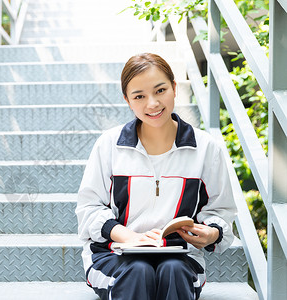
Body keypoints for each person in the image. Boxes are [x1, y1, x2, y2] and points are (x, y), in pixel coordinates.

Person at [76, 53, 237, 300]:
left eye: (160, 90)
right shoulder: (109, 145)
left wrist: (212, 233)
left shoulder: (206, 148)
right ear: (127, 100)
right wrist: (129, 236)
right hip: (114, 254)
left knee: (172, 270)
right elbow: (88, 209)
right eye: (139, 96)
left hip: (181, 256)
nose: (152, 104)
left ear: (174, 88)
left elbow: (221, 212)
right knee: (138, 271)